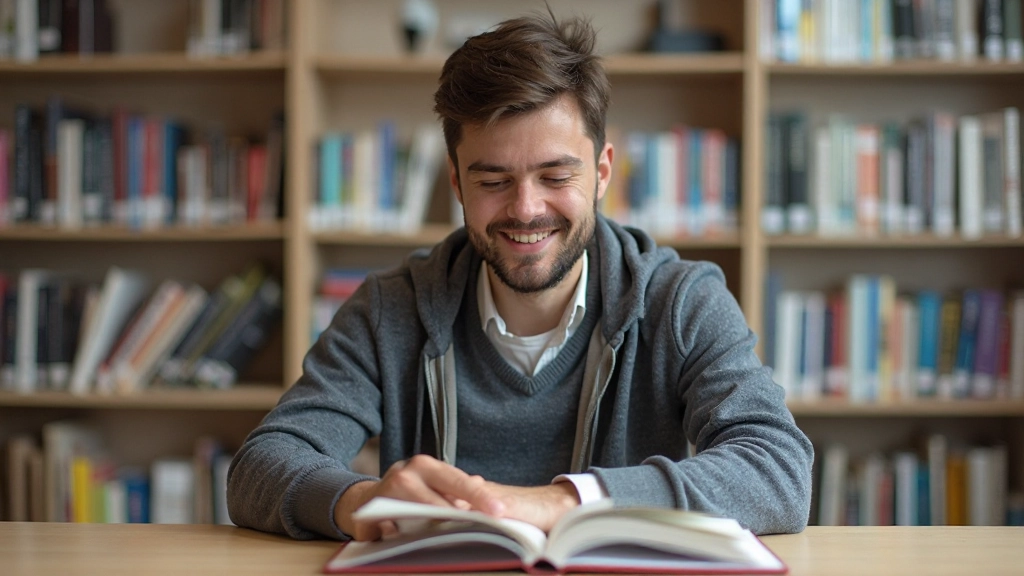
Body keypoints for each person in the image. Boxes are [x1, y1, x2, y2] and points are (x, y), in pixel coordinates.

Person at [227, 10, 813, 542]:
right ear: (455, 184)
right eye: (492, 181)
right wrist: (359, 501)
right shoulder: (391, 308)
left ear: (603, 171)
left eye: (556, 176)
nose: (525, 209)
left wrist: (563, 503)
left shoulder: (681, 301)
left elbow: (778, 469)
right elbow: (261, 465)